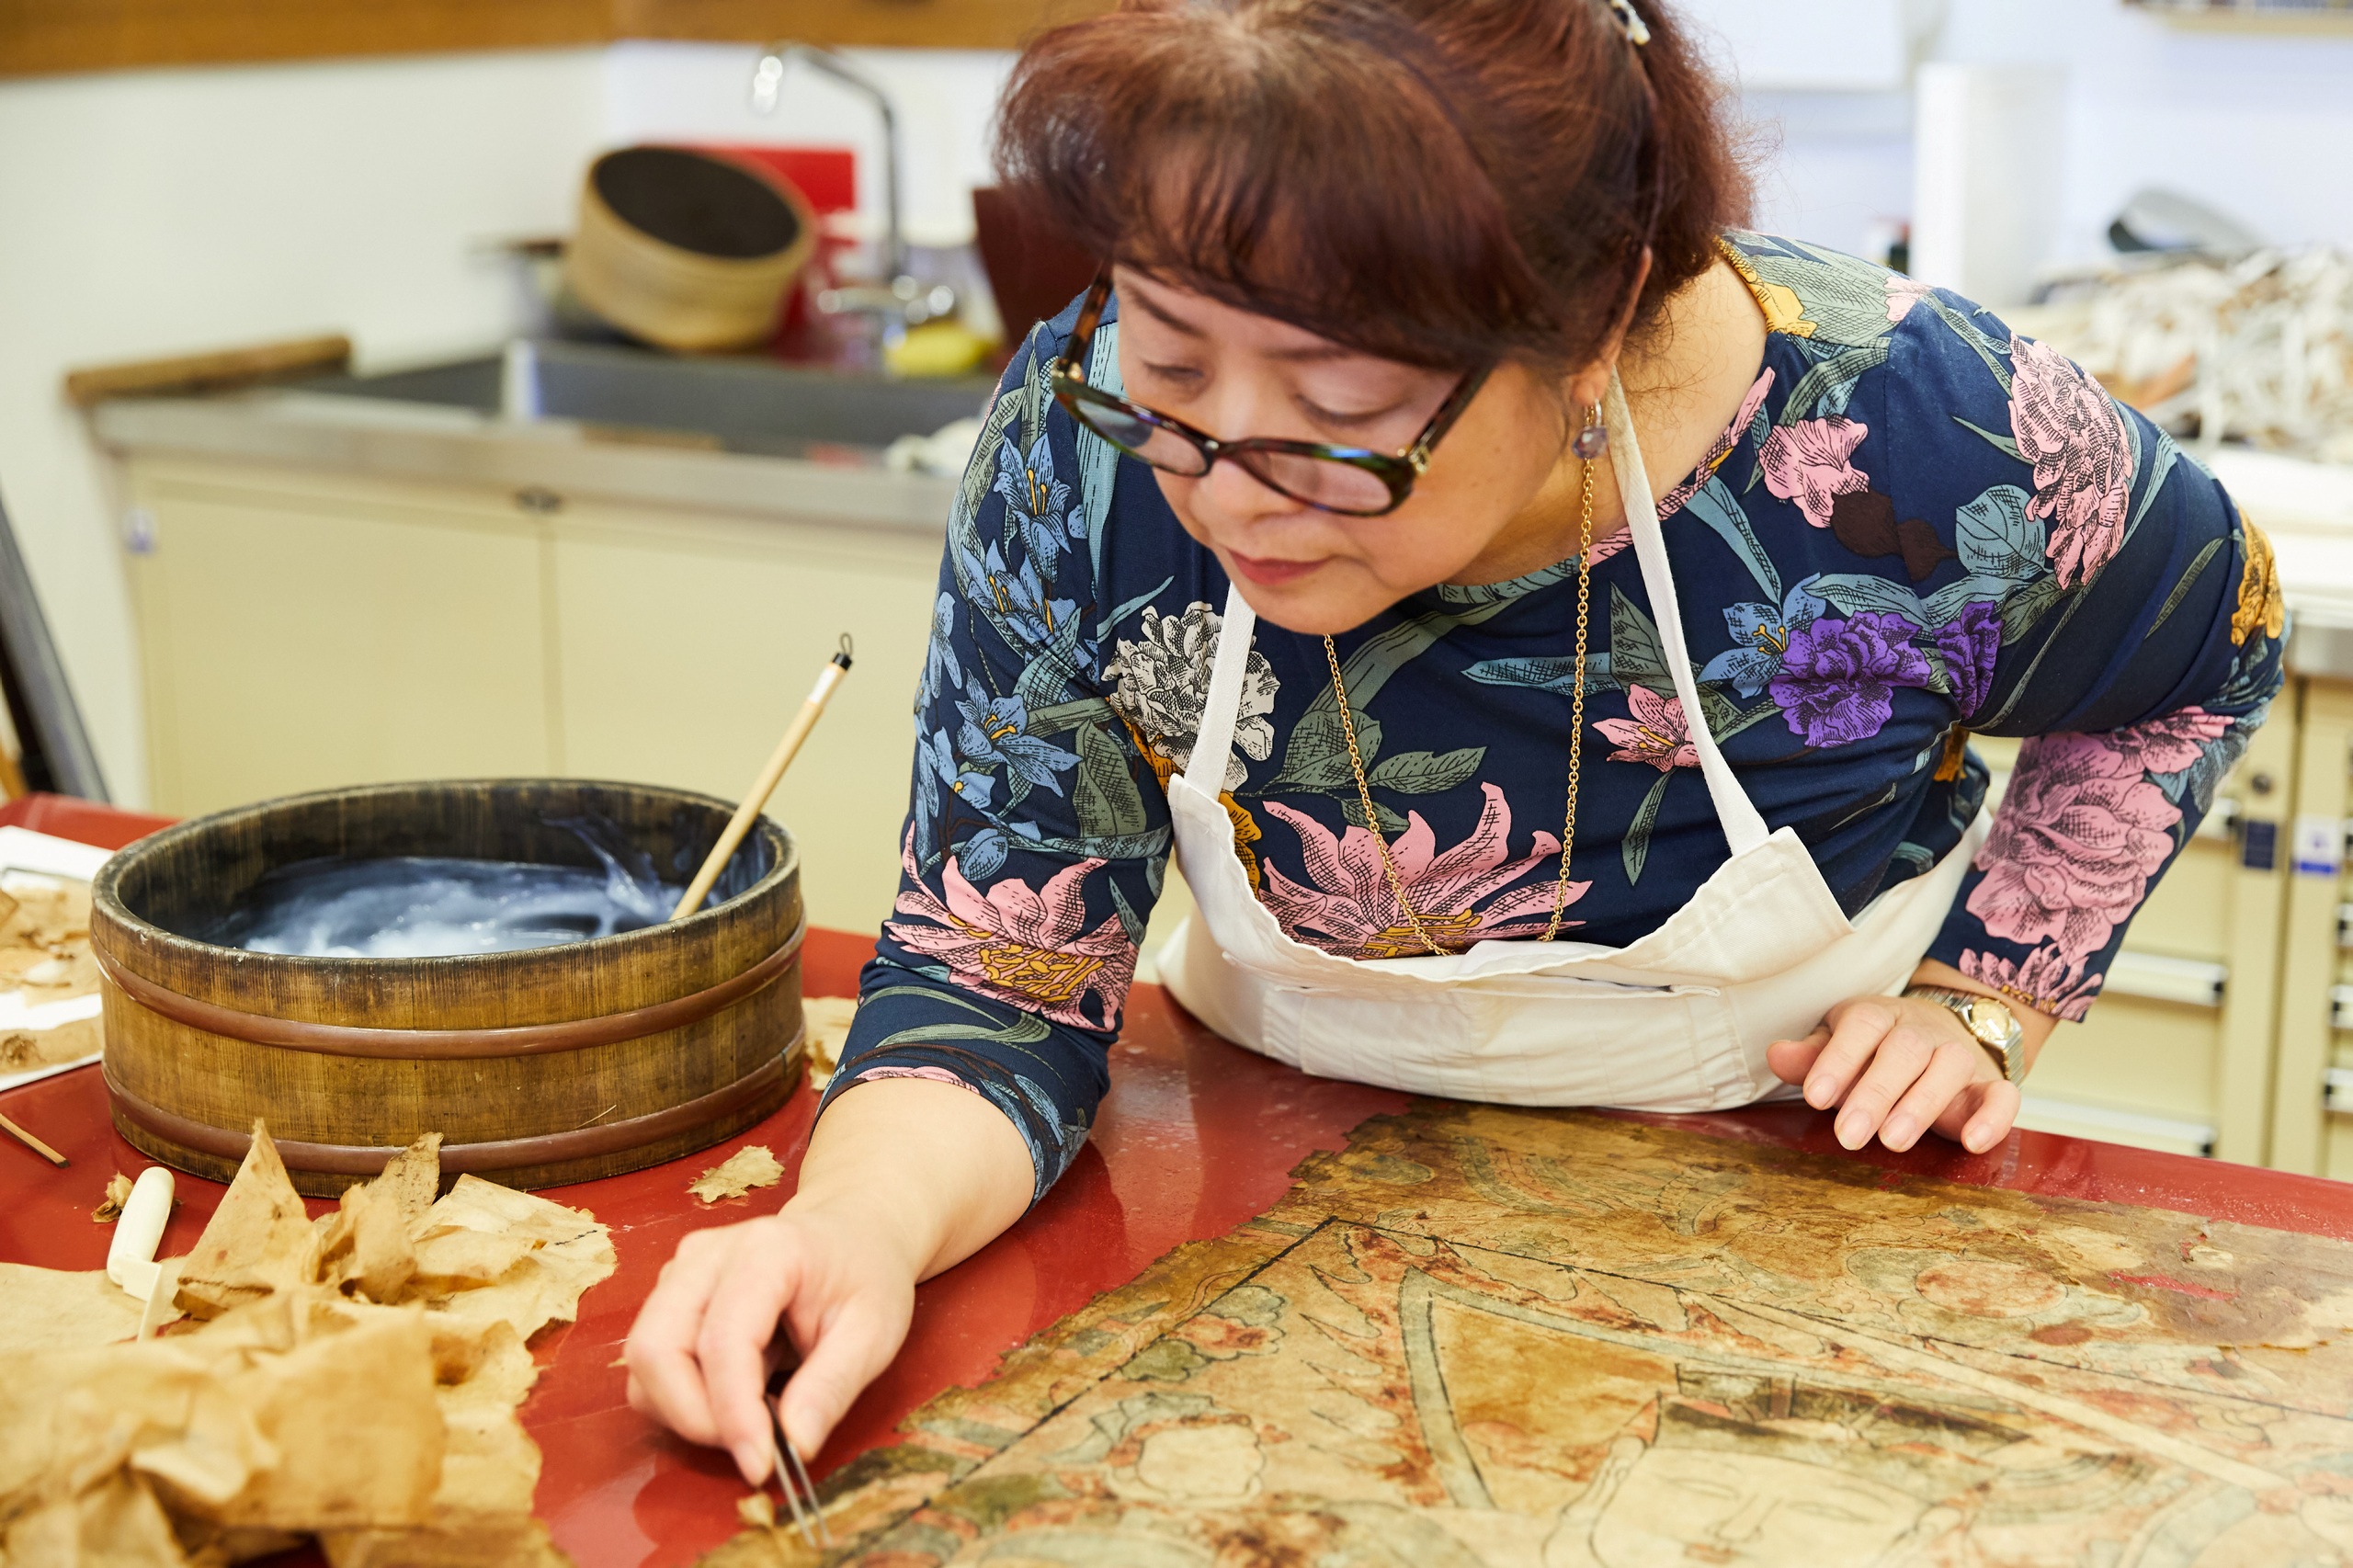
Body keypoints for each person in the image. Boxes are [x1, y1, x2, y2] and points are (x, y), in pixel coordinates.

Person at [625, 0, 2288, 1488]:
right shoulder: (1088, 452)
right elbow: (1000, 972)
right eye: (1172, 356)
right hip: (1255, 1206)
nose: (1225, 488)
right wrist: (850, 1228)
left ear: (1592, 318)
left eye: (1337, 416)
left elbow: (2210, 645)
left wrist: (1992, 990)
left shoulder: (1922, 434)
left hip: (1804, 1236)